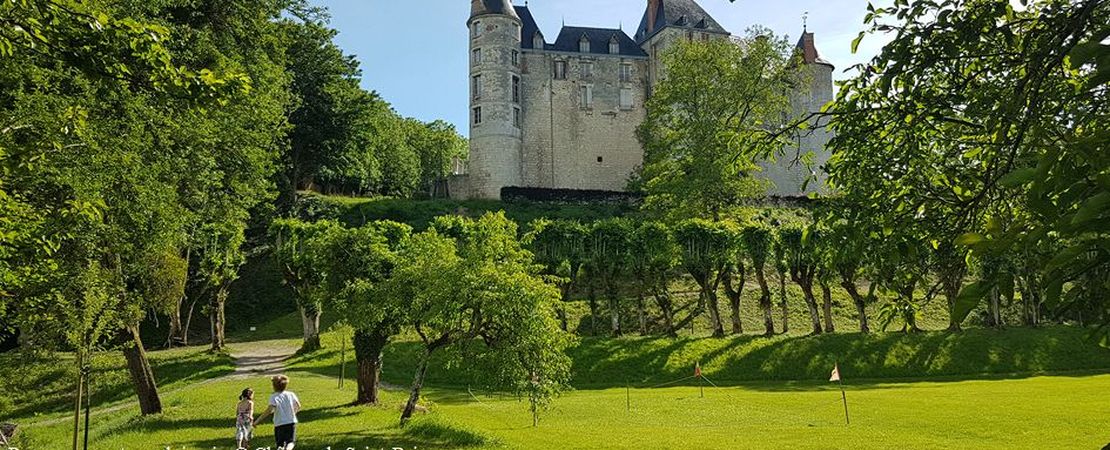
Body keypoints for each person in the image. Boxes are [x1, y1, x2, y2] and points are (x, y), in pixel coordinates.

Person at [253, 374, 301, 450]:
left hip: (279, 423)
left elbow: (269, 410)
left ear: (274, 386)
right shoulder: (291, 394)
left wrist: (257, 421)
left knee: (280, 443)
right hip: (291, 421)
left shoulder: (274, 397)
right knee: (291, 442)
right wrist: (293, 413)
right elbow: (298, 406)